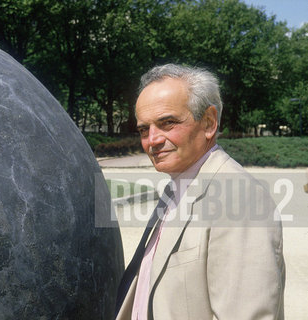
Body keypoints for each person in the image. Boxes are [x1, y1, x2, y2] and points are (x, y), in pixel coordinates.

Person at [115, 64, 285, 320]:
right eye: (143, 129)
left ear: (208, 123)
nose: (152, 140)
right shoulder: (178, 187)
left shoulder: (239, 200)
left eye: (167, 123)